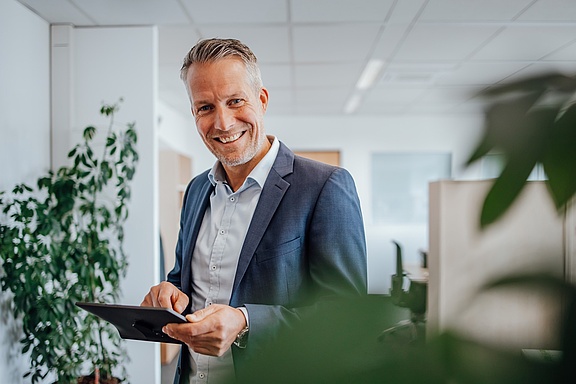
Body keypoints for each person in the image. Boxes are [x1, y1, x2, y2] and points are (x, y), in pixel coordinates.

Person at [141, 38, 367, 384]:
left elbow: (346, 319)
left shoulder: (325, 186)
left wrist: (245, 323)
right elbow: (185, 280)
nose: (223, 123)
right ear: (194, 114)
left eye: (235, 101)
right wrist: (171, 294)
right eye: (205, 108)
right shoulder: (197, 190)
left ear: (261, 100)